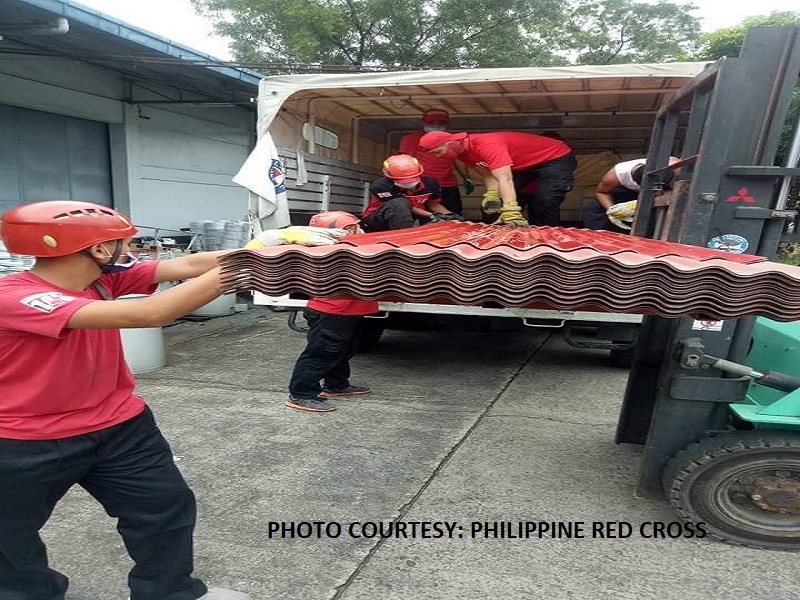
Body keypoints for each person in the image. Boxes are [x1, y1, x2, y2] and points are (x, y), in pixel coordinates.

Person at [0, 200, 345, 600]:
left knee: (164, 510)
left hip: (119, 426)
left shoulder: (100, 278)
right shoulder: (17, 297)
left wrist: (265, 246)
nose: (133, 250)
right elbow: (147, 314)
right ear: (95, 250)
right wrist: (250, 268)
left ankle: (170, 592)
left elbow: (185, 267)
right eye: (122, 242)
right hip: (23, 439)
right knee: (10, 535)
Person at [267, 211, 379, 413]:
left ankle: (337, 384)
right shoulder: (330, 251)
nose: (358, 230)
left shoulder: (350, 247)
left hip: (348, 310)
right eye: (351, 228)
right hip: (333, 311)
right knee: (322, 353)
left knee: (345, 349)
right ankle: (301, 394)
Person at [417, 130, 577, 227]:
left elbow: (505, 178)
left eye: (438, 151)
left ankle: (547, 238)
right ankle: (498, 232)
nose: (438, 156)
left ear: (450, 142)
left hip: (555, 156)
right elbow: (488, 174)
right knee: (495, 203)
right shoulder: (463, 153)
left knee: (546, 199)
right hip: (525, 163)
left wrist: (511, 210)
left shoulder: (486, 144)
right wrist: (492, 194)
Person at [360, 154, 464, 232]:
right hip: (379, 220)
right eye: (402, 180)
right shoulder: (381, 186)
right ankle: (405, 239)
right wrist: (432, 216)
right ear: (388, 176)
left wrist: (449, 216)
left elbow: (434, 204)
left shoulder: (430, 183)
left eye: (411, 178)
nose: (408, 182)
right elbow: (404, 207)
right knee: (400, 203)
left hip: (411, 218)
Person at [397, 108, 467, 214]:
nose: (436, 125)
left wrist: (466, 177)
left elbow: (457, 159)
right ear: (423, 122)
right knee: (423, 216)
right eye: (432, 123)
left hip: (448, 185)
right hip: (422, 185)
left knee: (454, 215)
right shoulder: (411, 139)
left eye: (441, 123)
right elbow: (405, 162)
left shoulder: (450, 140)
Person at [584, 156, 680, 231]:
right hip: (625, 192)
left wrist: (647, 202)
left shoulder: (677, 167)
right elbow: (601, 192)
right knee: (594, 207)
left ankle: (646, 238)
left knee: (652, 216)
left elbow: (680, 193)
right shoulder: (617, 175)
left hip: (659, 195)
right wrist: (612, 209)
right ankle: (599, 238)